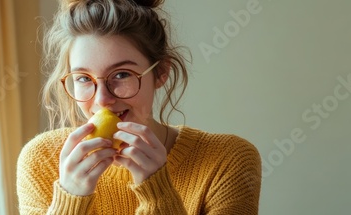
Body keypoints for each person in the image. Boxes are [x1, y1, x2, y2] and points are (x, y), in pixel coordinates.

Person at [16, 0, 262, 214]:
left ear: (161, 72)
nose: (102, 99)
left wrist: (158, 192)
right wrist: (70, 200)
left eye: (122, 75)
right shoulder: (42, 160)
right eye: (83, 78)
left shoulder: (228, 160)